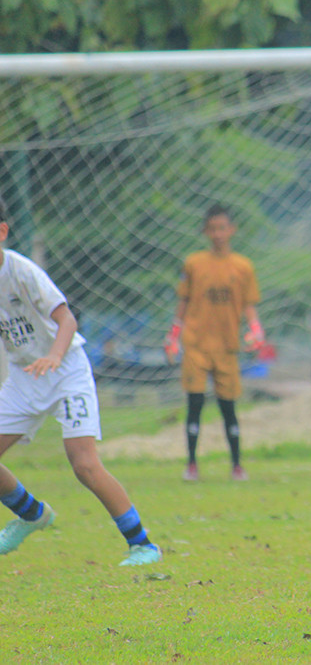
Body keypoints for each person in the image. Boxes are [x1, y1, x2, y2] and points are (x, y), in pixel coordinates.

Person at [0, 203, 162, 566]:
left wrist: (55, 357)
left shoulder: (22, 271)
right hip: (25, 376)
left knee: (84, 464)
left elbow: (67, 320)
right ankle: (32, 515)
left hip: (66, 370)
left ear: (3, 232)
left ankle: (143, 545)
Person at [165, 204, 263, 482]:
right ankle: (192, 464)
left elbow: (249, 305)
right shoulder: (194, 264)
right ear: (206, 232)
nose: (218, 234)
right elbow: (183, 301)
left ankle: (237, 465)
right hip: (196, 344)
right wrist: (173, 335)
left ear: (231, 230)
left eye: (222, 228)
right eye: (213, 229)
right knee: (195, 403)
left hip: (227, 347)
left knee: (228, 406)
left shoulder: (243, 267)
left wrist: (256, 330)